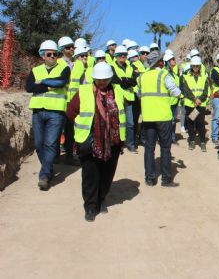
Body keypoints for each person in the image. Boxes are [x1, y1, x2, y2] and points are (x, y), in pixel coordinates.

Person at [66, 63, 126, 221]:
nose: (102, 82)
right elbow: (71, 111)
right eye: (99, 79)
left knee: (107, 174)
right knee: (90, 176)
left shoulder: (117, 91)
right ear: (93, 78)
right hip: (89, 139)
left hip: (112, 141)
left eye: (105, 79)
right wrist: (85, 127)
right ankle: (90, 206)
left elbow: (122, 112)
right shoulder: (84, 91)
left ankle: (101, 199)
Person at [26, 40, 71, 190]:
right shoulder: (35, 70)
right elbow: (29, 87)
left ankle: (44, 175)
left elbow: (61, 82)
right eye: (49, 54)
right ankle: (49, 168)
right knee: (39, 145)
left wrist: (43, 83)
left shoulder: (64, 68)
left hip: (56, 112)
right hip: (38, 111)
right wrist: (50, 85)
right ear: (42, 55)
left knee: (50, 144)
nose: (53, 56)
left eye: (55, 54)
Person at [138, 51, 181, 187]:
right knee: (165, 148)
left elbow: (139, 94)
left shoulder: (142, 76)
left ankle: (150, 179)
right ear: (159, 62)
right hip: (163, 117)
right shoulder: (163, 74)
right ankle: (166, 179)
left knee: (149, 148)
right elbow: (175, 91)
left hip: (148, 117)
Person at [111, 45, 139, 153]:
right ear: (117, 56)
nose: (123, 56)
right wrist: (127, 81)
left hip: (129, 98)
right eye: (121, 55)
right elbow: (115, 79)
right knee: (117, 123)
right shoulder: (111, 66)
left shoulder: (130, 67)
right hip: (117, 99)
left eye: (125, 55)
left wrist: (124, 80)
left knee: (130, 123)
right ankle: (118, 144)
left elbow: (134, 80)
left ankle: (130, 144)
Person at [180, 56, 210, 151]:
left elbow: (206, 90)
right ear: (191, 66)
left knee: (201, 123)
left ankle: (202, 142)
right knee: (191, 122)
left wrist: (199, 100)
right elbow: (186, 90)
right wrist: (194, 99)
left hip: (200, 105)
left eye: (197, 66)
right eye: (194, 66)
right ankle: (192, 141)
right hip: (190, 104)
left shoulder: (204, 77)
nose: (196, 67)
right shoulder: (185, 77)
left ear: (200, 66)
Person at [164, 51, 180, 143]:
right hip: (167, 102)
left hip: (175, 101)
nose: (175, 60)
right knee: (167, 122)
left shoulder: (173, 74)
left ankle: (172, 138)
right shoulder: (165, 73)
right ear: (168, 61)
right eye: (173, 59)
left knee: (173, 121)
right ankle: (166, 138)